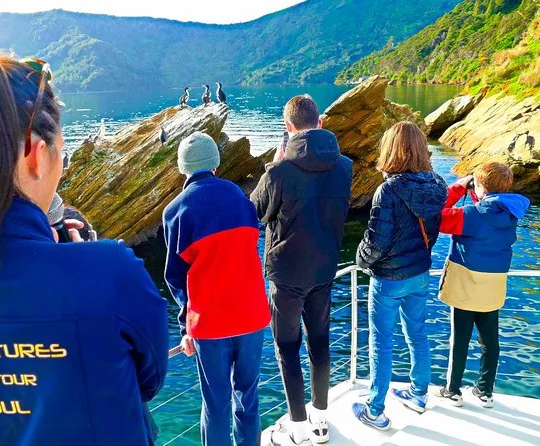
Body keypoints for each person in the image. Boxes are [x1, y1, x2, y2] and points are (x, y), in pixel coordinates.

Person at [0, 36, 168, 446]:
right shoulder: (111, 273)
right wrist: (78, 267)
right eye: (61, 153)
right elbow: (148, 378)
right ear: (36, 155)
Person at [251, 95, 353, 445]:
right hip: (324, 270)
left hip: (286, 274)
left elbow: (256, 211)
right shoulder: (345, 167)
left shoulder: (279, 172)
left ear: (288, 127)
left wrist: (273, 166)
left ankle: (297, 428)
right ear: (320, 123)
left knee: (287, 347)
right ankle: (320, 422)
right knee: (320, 343)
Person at [163, 132, 270, 446]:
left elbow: (175, 278)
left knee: (216, 405)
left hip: (210, 324)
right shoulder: (239, 197)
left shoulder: (175, 211)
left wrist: (186, 327)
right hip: (252, 315)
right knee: (248, 397)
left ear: (183, 168)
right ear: (215, 163)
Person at [352, 122, 447, 430]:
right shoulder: (438, 184)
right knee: (417, 333)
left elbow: (376, 241)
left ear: (391, 149)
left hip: (389, 279)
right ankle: (418, 393)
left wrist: (361, 259)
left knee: (381, 342)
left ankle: (375, 409)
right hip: (420, 272)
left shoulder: (389, 190)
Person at [435, 162, 529, 408]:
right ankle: (485, 392)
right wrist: (478, 192)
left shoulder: (468, 215)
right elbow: (489, 213)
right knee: (490, 342)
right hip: (493, 287)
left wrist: (458, 188)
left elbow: (437, 217)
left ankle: (452, 390)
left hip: (466, 285)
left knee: (460, 340)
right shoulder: (511, 214)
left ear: (480, 187)